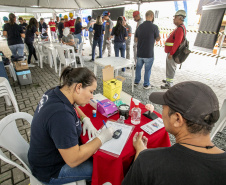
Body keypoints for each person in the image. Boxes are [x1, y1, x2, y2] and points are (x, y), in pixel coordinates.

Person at [122, 81, 226, 185]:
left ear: (177, 119)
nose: (162, 114)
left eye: (163, 108)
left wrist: (141, 154)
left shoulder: (149, 161)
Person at [28, 66, 114, 184]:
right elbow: (73, 160)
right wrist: (102, 138)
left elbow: (72, 106)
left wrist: (85, 119)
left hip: (42, 156)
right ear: (78, 87)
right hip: (50, 170)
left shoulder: (56, 92)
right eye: (91, 91)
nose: (92, 96)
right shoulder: (61, 115)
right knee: (102, 168)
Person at [161, 10, 187, 89]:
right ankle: (168, 80)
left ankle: (169, 84)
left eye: (175, 17)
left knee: (171, 67)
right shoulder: (179, 28)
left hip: (173, 53)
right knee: (170, 67)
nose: (173, 19)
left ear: (179, 18)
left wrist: (172, 53)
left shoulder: (180, 29)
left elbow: (177, 42)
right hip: (171, 52)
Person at [134, 10, 160, 89]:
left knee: (138, 68)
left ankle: (136, 81)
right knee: (147, 70)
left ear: (145, 16)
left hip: (140, 52)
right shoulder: (154, 27)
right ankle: (146, 84)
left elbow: (135, 39)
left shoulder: (140, 26)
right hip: (149, 53)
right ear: (152, 16)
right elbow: (158, 39)